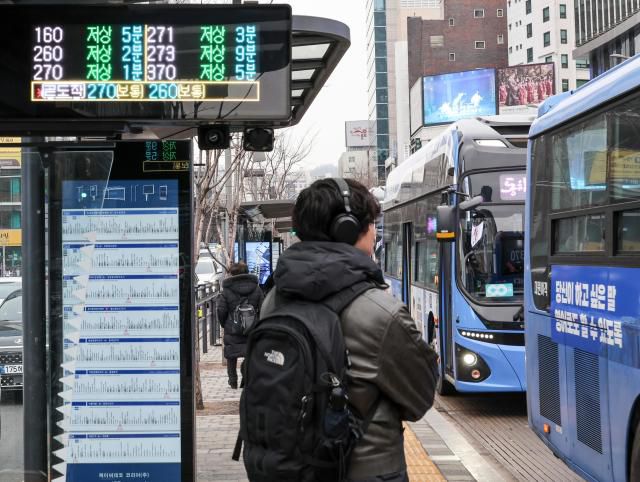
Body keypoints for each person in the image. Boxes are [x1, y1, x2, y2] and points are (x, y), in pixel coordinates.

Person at [260, 178, 438, 482]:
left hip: (287, 469)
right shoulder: (380, 312)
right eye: (372, 224)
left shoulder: (273, 300)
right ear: (349, 228)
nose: (374, 233)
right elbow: (420, 399)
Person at [216, 261, 263, 389]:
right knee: (250, 353)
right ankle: (246, 379)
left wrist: (225, 324)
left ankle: (233, 381)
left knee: (232, 354)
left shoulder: (226, 290)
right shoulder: (256, 288)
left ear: (232, 273)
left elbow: (221, 310)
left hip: (232, 327)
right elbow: (262, 308)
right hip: (252, 327)